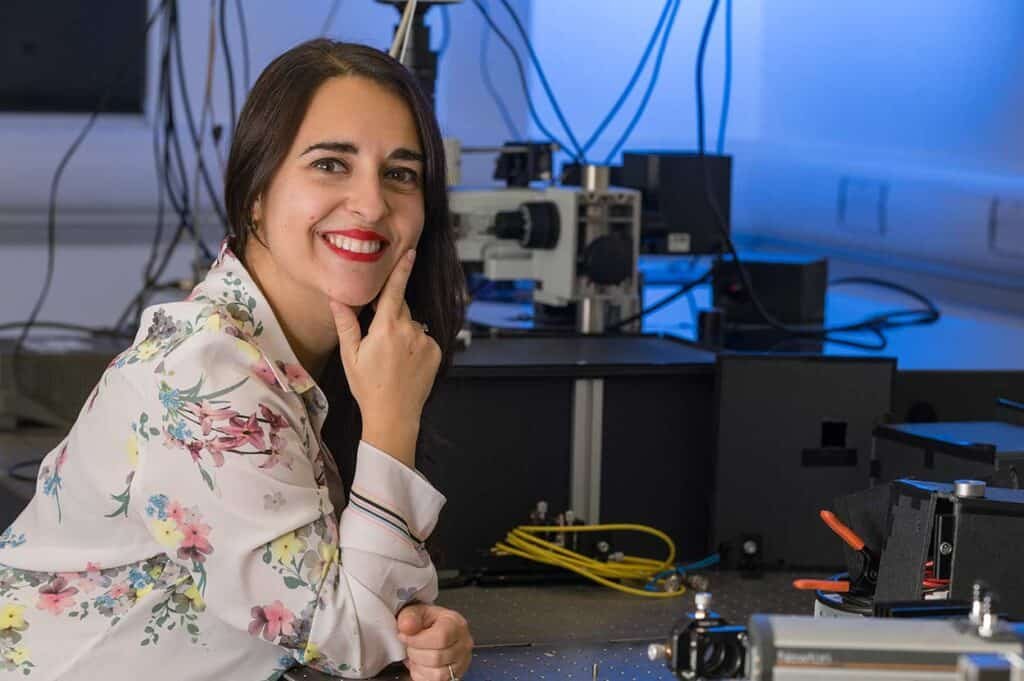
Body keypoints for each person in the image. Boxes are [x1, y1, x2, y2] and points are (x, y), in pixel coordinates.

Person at [0, 39, 472, 681]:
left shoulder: (304, 365)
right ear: (256, 192)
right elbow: (347, 643)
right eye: (331, 164)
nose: (371, 203)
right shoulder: (205, 374)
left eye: (400, 173)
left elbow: (352, 609)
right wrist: (391, 424)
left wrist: (418, 630)